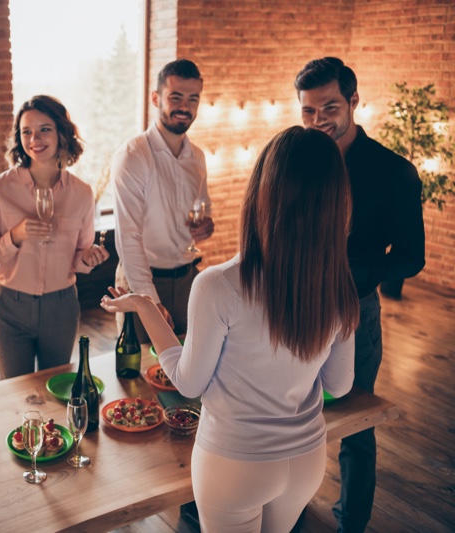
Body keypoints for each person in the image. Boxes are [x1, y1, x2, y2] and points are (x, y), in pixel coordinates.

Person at [101, 126, 360, 532]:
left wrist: (143, 307)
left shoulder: (219, 285)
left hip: (235, 463)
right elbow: (340, 386)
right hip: (306, 460)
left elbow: (188, 382)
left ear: (262, 192)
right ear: (336, 204)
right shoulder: (340, 287)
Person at [295, 57, 426, 532]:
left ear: (353, 101)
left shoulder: (394, 171)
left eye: (328, 107)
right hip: (295, 307)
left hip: (355, 311)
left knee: (356, 423)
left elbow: (412, 256)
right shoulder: (300, 161)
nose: (317, 121)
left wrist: (358, 273)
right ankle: (290, 506)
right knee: (289, 414)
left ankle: (352, 523)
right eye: (308, 111)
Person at [0, 95, 109, 379]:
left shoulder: (82, 193)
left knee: (56, 388)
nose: (35, 138)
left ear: (61, 133)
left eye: (44, 129)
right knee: (13, 392)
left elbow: (78, 258)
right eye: (26, 132)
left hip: (62, 306)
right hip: (10, 307)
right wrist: (15, 236)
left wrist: (89, 258)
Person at [111, 58, 215, 343]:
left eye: (192, 99)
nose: (185, 107)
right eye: (176, 97)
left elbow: (202, 213)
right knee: (142, 370)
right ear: (156, 98)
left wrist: (207, 228)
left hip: (187, 280)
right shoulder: (133, 155)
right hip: (142, 281)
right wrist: (149, 299)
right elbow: (128, 237)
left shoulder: (198, 157)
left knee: (187, 366)